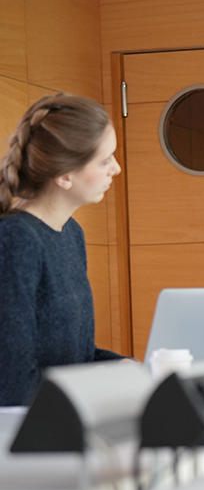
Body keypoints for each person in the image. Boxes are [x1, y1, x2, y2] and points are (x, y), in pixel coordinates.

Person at [0, 94, 124, 406]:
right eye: (105, 160)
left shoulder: (72, 234)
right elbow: (13, 383)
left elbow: (75, 357)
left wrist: (128, 368)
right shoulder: (16, 241)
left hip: (58, 417)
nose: (117, 169)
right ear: (65, 176)